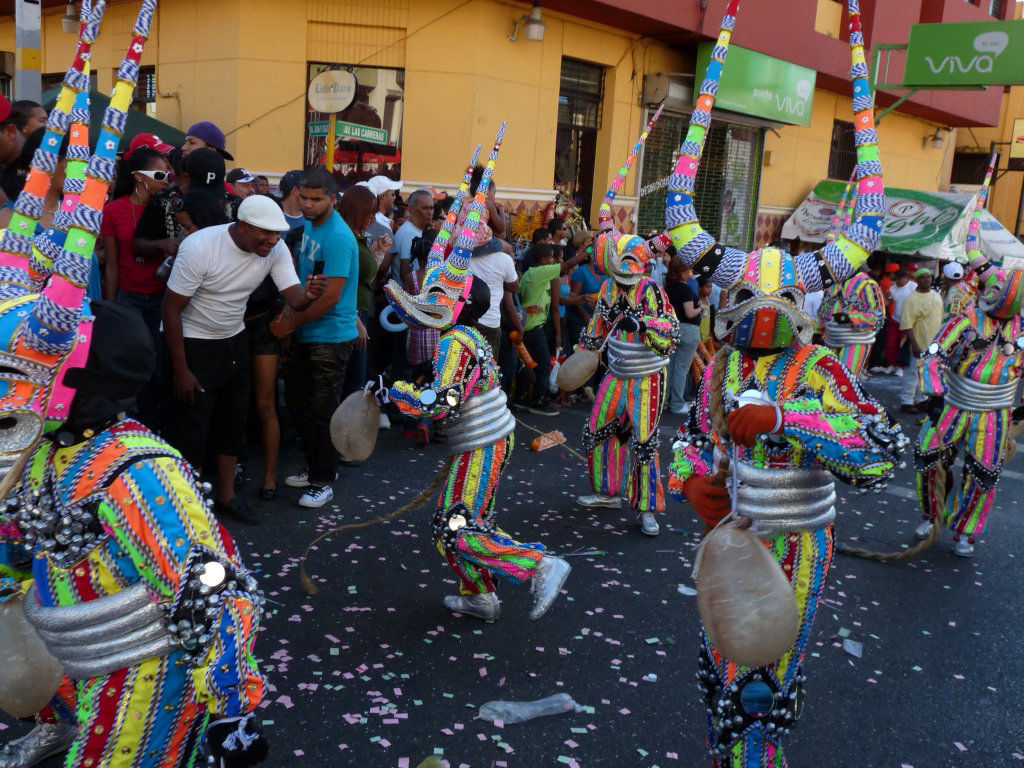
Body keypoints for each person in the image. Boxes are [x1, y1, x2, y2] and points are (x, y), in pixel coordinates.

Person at [0, 13, 269, 768]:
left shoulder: (134, 470)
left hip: (146, 678)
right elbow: (24, 550)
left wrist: (235, 704)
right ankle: (56, 718)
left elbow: (213, 580)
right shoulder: (47, 453)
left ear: (67, 383)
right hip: (76, 666)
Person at [664, 3, 904, 765]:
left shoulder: (819, 367)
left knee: (756, 693)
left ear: (803, 307)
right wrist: (689, 481)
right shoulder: (722, 366)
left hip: (797, 548)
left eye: (776, 303)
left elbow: (876, 452)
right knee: (720, 678)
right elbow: (696, 434)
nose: (757, 315)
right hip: (730, 540)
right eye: (742, 303)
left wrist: (784, 421)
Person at [371, 138, 571, 623]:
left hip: (482, 445)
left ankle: (538, 564)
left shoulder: (457, 342)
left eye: (437, 290)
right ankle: (479, 595)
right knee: (463, 522)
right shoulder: (464, 337)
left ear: (459, 304)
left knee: (455, 528)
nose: (425, 295)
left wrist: (390, 392)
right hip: (484, 442)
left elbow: (441, 402)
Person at [162, 195, 325, 524]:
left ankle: (225, 496)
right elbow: (171, 308)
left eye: (277, 233)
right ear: (244, 227)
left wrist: (307, 296)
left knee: (232, 423)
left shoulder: (275, 249)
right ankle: (185, 509)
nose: (273, 240)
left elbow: (292, 295)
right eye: (265, 233)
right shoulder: (200, 247)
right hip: (191, 343)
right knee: (191, 431)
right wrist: (180, 370)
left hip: (233, 340)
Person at [574, 106, 678, 537]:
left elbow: (669, 334)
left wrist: (641, 328)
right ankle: (608, 490)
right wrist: (579, 356)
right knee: (598, 429)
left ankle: (647, 507)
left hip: (647, 380)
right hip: (616, 375)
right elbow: (597, 329)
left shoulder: (653, 291)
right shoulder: (608, 290)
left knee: (644, 442)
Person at [914, 153, 1018, 557]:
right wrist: (936, 392)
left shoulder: (1021, 329)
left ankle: (966, 529)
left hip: (994, 413)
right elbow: (934, 354)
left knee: (985, 473)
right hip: (954, 403)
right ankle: (931, 512)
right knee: (927, 457)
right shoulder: (965, 318)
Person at [277, 168, 362, 509]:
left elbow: (330, 298)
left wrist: (288, 322)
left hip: (330, 336)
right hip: (306, 329)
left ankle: (324, 480)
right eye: (304, 198)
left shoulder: (339, 237)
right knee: (298, 404)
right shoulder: (311, 225)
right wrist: (291, 318)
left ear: (332, 198)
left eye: (316, 199)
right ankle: (315, 467)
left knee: (322, 411)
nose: (309, 205)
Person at [101, 147, 172, 427]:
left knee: (158, 367)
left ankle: (155, 423)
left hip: (162, 298)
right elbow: (112, 264)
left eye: (168, 174)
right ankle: (130, 423)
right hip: (129, 299)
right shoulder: (114, 211)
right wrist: (110, 308)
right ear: (138, 177)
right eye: (159, 174)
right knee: (131, 364)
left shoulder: (169, 208)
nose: (166, 179)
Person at [515, 243, 562, 415]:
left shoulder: (529, 273)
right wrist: (587, 250)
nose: (554, 260)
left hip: (529, 325)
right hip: (533, 327)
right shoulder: (540, 272)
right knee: (542, 363)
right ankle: (540, 399)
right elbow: (567, 265)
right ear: (543, 260)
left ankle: (521, 396)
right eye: (551, 257)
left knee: (531, 363)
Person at [818, 269, 885, 379]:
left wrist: (847, 318)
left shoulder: (868, 284)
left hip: (856, 339)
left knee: (846, 380)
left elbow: (877, 316)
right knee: (828, 379)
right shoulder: (834, 283)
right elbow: (825, 310)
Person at [899, 268, 943, 414]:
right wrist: (914, 344)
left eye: (928, 277)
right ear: (916, 280)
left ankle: (921, 399)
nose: (926, 280)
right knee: (912, 373)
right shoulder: (911, 299)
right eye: (922, 278)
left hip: (934, 343)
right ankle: (906, 401)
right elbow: (907, 324)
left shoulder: (937, 296)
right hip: (918, 343)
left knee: (926, 373)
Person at [663, 258, 701, 414]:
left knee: (668, 368)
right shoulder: (685, 289)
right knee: (681, 370)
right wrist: (701, 308)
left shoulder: (667, 288)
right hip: (688, 330)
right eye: (688, 270)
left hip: (670, 329)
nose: (690, 273)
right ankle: (677, 404)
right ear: (682, 271)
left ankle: (663, 402)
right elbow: (690, 313)